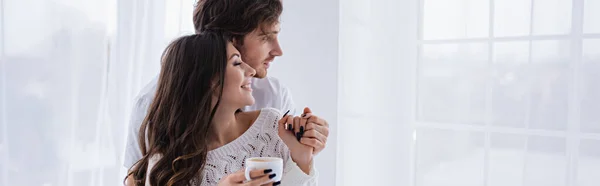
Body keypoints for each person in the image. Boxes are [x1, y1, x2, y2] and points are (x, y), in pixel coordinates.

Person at [124, 0, 330, 184]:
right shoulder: (152, 103)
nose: (278, 50)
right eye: (266, 37)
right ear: (231, 40)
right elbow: (141, 179)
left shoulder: (273, 98)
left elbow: (295, 170)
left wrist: (305, 152)